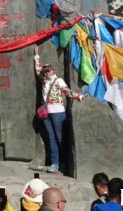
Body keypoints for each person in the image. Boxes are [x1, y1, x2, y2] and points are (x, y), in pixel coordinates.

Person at [34, 45, 84, 173]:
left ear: (53, 70)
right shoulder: (44, 81)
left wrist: (78, 96)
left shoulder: (58, 80)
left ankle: (65, 163)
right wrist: (36, 56)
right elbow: (37, 69)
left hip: (58, 112)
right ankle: (54, 163)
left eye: (49, 70)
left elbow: (66, 91)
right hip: (46, 113)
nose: (47, 72)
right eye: (45, 71)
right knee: (50, 138)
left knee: (60, 137)